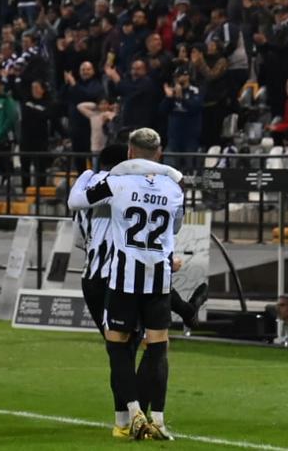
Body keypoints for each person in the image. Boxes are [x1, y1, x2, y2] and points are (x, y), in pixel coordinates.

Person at [71, 128, 184, 441]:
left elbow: (77, 200)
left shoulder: (116, 183)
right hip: (158, 277)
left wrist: (90, 175)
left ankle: (130, 414)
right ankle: (157, 419)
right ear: (159, 153)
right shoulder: (174, 188)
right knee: (158, 346)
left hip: (121, 277)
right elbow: (174, 228)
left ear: (130, 153)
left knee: (118, 346)